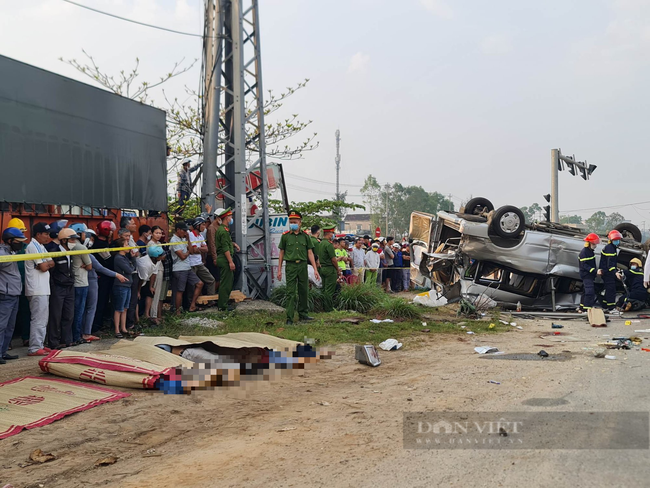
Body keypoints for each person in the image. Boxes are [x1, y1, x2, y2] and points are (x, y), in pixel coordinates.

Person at [277, 210, 319, 324]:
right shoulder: (285, 236)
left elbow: (310, 253)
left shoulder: (305, 236)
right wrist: (279, 269)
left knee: (304, 290)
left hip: (302, 265)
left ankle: (303, 314)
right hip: (290, 266)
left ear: (300, 222)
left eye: (294, 221)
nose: (292, 224)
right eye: (290, 222)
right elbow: (281, 253)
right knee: (290, 292)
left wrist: (315, 269)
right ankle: (289, 318)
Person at [24, 222, 55, 356]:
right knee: (38, 319)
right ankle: (35, 347)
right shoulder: (33, 246)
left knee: (43, 319)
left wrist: (45, 264)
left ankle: (40, 344)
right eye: (46, 234)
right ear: (38, 234)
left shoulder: (41, 246)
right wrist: (45, 264)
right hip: (37, 288)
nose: (48, 236)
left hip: (42, 288)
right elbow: (43, 267)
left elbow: (51, 262)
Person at [83, 252, 128, 342]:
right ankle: (86, 333)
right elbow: (100, 268)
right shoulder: (87, 254)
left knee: (82, 309)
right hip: (90, 281)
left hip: (81, 282)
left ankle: (82, 332)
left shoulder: (74, 252)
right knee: (90, 308)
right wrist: (117, 275)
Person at [46, 228, 77, 350]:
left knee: (69, 314)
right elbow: (52, 271)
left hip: (69, 286)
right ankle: (53, 341)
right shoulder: (54, 251)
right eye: (72, 239)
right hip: (58, 287)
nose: (74, 241)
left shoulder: (70, 252)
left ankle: (66, 340)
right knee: (55, 315)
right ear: (64, 240)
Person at [0, 228, 28, 363]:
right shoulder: (2, 253)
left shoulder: (12, 251)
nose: (20, 244)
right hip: (5, 294)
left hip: (15, 293)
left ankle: (3, 351)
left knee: (10, 326)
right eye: (18, 241)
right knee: (1, 325)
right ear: (9, 240)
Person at [170, 221, 203, 315]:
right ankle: (177, 311)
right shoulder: (174, 240)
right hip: (179, 268)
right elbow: (182, 256)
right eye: (184, 231)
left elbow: (191, 251)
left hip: (187, 267)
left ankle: (192, 305)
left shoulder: (183, 239)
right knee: (180, 290)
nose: (185, 233)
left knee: (199, 283)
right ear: (178, 230)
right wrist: (188, 252)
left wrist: (188, 240)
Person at [69, 223, 93, 344]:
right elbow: (89, 266)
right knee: (79, 311)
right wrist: (84, 265)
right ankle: (77, 337)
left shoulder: (69, 246)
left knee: (72, 311)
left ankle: (72, 336)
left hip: (72, 281)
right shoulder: (82, 248)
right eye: (84, 233)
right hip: (81, 282)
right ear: (79, 234)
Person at [92, 220, 116, 331]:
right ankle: (97, 324)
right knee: (101, 301)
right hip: (102, 277)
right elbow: (109, 261)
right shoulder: (101, 245)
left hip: (103, 276)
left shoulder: (100, 243)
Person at [214, 208, 239, 311]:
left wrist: (233, 244)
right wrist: (230, 262)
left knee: (228, 281)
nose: (231, 219)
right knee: (225, 283)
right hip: (225, 259)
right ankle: (222, 306)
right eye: (230, 217)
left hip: (224, 258)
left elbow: (226, 244)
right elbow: (225, 248)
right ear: (226, 218)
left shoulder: (223, 230)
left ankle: (224, 303)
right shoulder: (223, 231)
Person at [112, 238, 134, 338]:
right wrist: (133, 262)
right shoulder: (119, 258)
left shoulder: (126, 257)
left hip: (127, 285)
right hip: (121, 285)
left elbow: (132, 268)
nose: (129, 246)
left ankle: (123, 328)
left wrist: (132, 259)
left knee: (125, 308)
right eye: (126, 244)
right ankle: (117, 329)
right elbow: (129, 270)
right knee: (119, 308)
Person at [136, 245, 165, 322]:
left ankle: (147, 315)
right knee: (137, 298)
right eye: (161, 255)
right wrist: (138, 291)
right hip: (138, 279)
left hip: (147, 277)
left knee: (150, 293)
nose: (163, 256)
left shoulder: (157, 261)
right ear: (155, 257)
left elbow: (154, 273)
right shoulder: (145, 264)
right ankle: (137, 318)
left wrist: (151, 286)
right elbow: (141, 279)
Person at [188, 217, 216, 296]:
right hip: (191, 264)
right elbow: (193, 250)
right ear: (197, 226)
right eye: (203, 225)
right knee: (193, 285)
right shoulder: (190, 235)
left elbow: (206, 249)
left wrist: (198, 249)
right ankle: (193, 303)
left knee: (211, 280)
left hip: (199, 263)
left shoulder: (200, 236)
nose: (204, 227)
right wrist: (200, 249)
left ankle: (210, 299)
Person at [318, 226, 342, 312]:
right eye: (332, 233)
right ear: (329, 234)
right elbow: (333, 260)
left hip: (322, 268)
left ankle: (324, 307)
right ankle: (328, 308)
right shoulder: (328, 244)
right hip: (329, 269)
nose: (333, 235)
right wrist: (337, 269)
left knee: (324, 289)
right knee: (329, 291)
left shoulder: (320, 243)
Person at [598, 229, 622, 312]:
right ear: (612, 240)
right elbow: (610, 264)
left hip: (606, 272)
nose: (618, 241)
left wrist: (616, 268)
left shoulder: (611, 247)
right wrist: (615, 272)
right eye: (616, 240)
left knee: (608, 290)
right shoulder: (610, 249)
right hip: (608, 273)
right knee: (611, 290)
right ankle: (611, 308)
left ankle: (605, 306)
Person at [148, 226, 167, 322]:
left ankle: (156, 314)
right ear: (151, 233)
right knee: (154, 292)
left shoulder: (159, 243)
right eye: (156, 233)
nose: (158, 235)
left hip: (160, 268)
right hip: (155, 269)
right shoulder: (150, 244)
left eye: (160, 233)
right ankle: (153, 315)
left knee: (158, 293)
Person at [579, 233, 600, 312]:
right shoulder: (584, 252)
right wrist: (595, 271)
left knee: (585, 291)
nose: (595, 245)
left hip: (590, 275)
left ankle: (581, 308)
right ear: (589, 243)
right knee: (589, 292)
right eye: (594, 244)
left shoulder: (590, 251)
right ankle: (587, 309)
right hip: (586, 275)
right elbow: (584, 265)